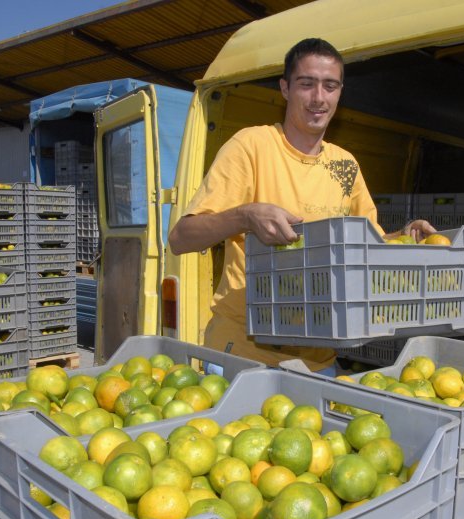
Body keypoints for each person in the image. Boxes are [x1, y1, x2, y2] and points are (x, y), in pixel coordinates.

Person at [169, 37, 435, 372]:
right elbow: (181, 238)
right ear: (285, 88)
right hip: (245, 356)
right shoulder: (252, 146)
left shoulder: (345, 165)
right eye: (306, 84)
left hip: (320, 359)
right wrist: (244, 216)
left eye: (330, 86)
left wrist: (405, 236)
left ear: (340, 92)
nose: (318, 98)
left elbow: (368, 246)